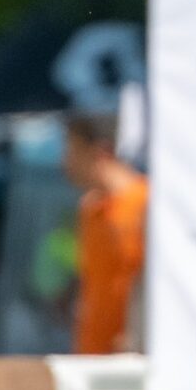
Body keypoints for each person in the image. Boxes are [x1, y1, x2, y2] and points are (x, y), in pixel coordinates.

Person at [63, 111, 148, 357]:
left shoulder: (145, 203)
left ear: (100, 152)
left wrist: (137, 334)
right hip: (91, 355)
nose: (66, 163)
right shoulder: (90, 210)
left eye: (72, 151)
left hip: (131, 358)